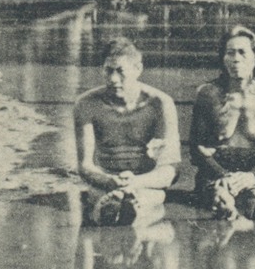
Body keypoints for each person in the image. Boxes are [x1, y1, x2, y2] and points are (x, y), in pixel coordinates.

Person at [71, 38, 181, 225]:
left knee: (145, 202)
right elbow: (85, 166)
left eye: (120, 71)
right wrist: (110, 181)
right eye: (108, 70)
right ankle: (117, 210)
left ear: (138, 69)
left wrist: (136, 182)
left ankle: (129, 210)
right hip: (105, 183)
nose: (113, 79)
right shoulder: (86, 104)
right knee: (103, 201)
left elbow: (171, 168)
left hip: (147, 183)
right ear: (102, 69)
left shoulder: (160, 104)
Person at [191, 26, 255, 211]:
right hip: (215, 171)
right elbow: (196, 146)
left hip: (253, 171)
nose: (236, 59)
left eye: (242, 52)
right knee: (220, 199)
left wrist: (252, 175)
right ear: (223, 58)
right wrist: (223, 175)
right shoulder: (207, 93)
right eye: (230, 53)